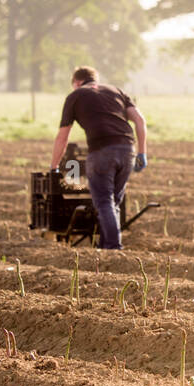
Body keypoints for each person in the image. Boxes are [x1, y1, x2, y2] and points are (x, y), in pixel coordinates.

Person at [51, 66, 147, 250]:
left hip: (102, 151)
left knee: (103, 202)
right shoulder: (116, 91)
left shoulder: (75, 96)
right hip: (128, 149)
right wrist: (142, 153)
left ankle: (112, 248)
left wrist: (54, 166)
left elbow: (62, 137)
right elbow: (140, 121)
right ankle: (104, 248)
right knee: (113, 204)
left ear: (77, 83)